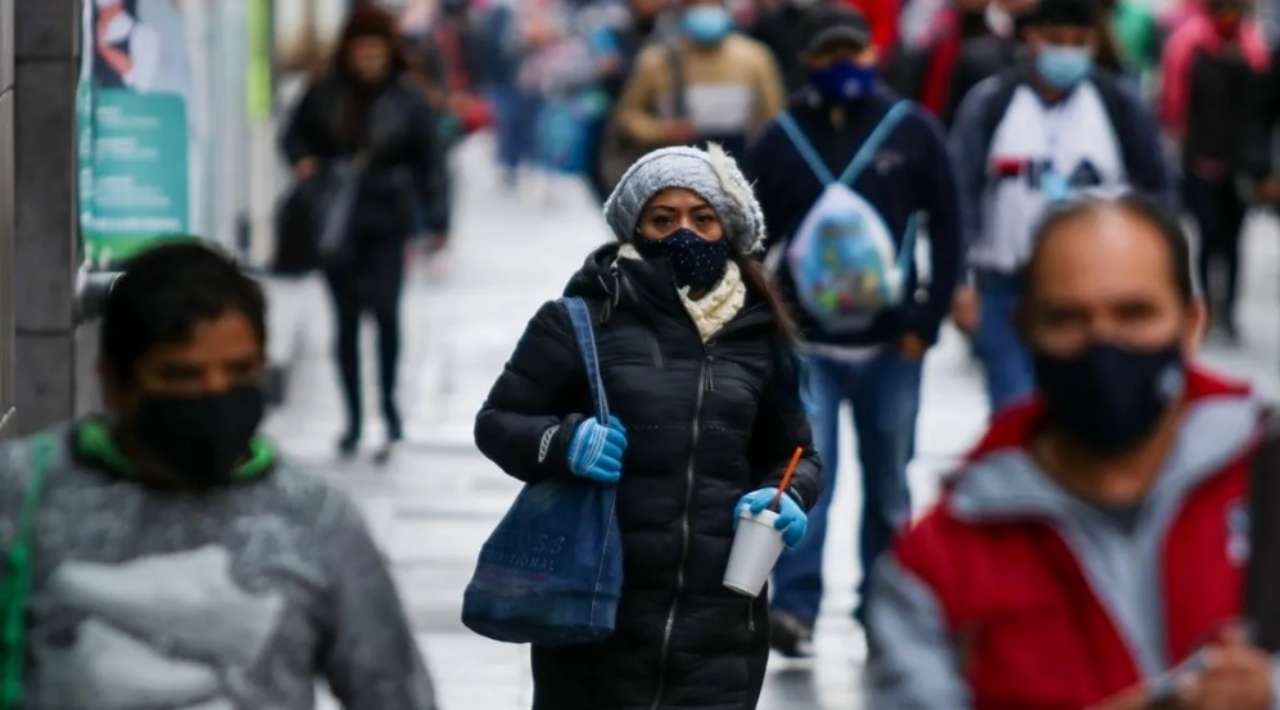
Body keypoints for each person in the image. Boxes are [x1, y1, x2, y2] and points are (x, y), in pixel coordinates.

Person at [867, 195, 1277, 709]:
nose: (1102, 343)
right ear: (1026, 329)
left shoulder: (1266, 478)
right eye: (1068, 319)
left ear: (1191, 322)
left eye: (1134, 313)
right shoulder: (938, 567)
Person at [0, 242, 435, 709]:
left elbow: (393, 691)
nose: (215, 394)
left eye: (240, 372)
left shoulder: (314, 519)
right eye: (182, 376)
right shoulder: (24, 494)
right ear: (114, 381)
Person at [475, 145, 822, 709]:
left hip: (721, 629)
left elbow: (798, 454)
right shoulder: (581, 318)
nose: (684, 232)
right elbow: (498, 422)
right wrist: (565, 443)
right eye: (664, 219)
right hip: (598, 619)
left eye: (702, 218)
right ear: (635, 228)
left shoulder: (759, 333)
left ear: (727, 230)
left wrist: (789, 496)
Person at [743, 4, 961, 656]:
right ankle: (796, 609)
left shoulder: (912, 132)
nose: (843, 67)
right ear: (806, 64)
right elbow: (753, 241)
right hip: (809, 347)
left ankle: (885, 609)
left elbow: (950, 229)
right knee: (811, 478)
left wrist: (929, 318)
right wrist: (763, 327)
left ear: (874, 55)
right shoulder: (780, 140)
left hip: (895, 345)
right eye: (828, 56)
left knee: (891, 481)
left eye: (853, 53)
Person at [950, 0, 1173, 411]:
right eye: (1056, 40)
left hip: (1096, 289)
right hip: (1006, 287)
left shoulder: (1118, 104)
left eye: (1078, 42)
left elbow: (1158, 193)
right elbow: (961, 193)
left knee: (1086, 409)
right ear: (1030, 39)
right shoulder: (992, 103)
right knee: (1014, 409)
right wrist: (960, 281)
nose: (1066, 52)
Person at [281, 5, 447, 457]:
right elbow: (292, 135)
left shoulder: (407, 97)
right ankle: (353, 418)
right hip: (336, 221)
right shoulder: (324, 90)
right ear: (349, 51)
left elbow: (431, 160)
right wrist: (304, 163)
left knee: (388, 316)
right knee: (346, 320)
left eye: (377, 52)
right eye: (362, 52)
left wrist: (438, 220)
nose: (369, 61)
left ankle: (389, 411)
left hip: (387, 219)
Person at [1161, 0, 1270, 342]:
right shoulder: (1188, 44)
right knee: (1208, 237)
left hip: (1239, 164)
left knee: (1234, 239)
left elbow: (1262, 112)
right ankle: (1206, 307)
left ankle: (1229, 313)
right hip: (1201, 159)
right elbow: (1174, 102)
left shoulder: (1254, 47)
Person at [611, 0, 786, 159]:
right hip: (679, 167)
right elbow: (627, 117)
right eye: (695, 2)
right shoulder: (658, 60)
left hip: (741, 165)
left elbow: (774, 118)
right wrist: (661, 131)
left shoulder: (755, 57)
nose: (705, 6)